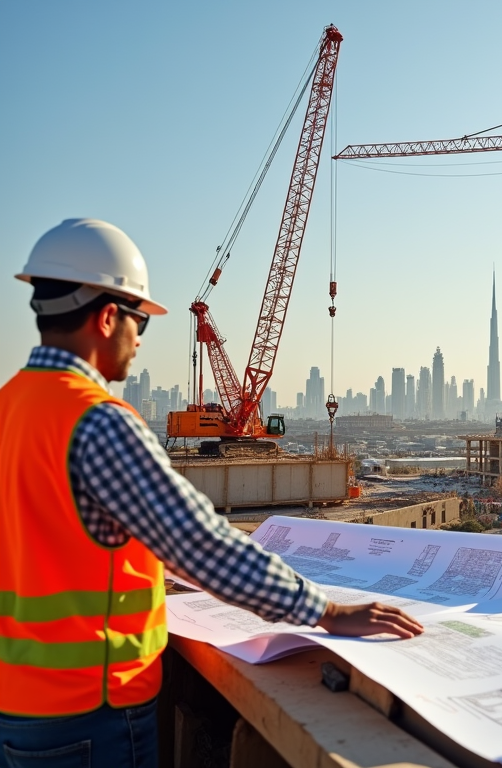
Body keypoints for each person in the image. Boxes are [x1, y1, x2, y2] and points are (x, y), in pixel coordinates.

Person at [0, 219, 424, 767]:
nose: (138, 342)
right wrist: (327, 612)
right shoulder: (98, 423)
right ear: (108, 318)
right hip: (93, 715)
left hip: (20, 710)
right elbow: (203, 545)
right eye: (139, 323)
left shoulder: (11, 409)